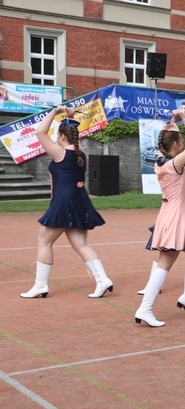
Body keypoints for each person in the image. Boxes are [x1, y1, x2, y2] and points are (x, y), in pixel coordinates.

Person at [21, 106, 112, 299]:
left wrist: (54, 112)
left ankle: (40, 285)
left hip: (64, 201)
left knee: (44, 241)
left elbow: (39, 132)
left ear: (62, 136)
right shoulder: (80, 153)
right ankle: (102, 279)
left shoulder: (60, 153)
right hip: (79, 200)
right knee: (80, 243)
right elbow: (75, 141)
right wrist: (69, 118)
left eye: (57, 135)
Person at [134, 109, 185, 327]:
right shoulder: (174, 164)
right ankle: (145, 309)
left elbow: (167, 139)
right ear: (176, 144)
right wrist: (184, 119)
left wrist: (173, 121)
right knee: (165, 263)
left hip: (171, 214)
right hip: (174, 216)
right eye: (180, 141)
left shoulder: (160, 160)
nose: (183, 144)